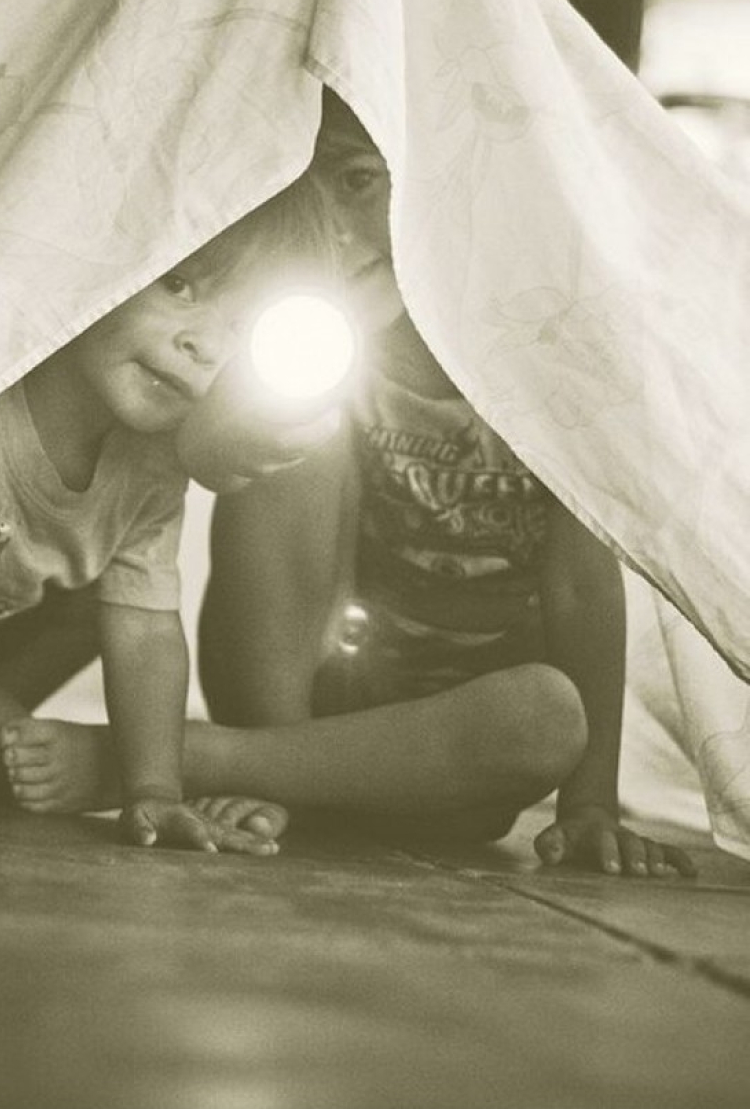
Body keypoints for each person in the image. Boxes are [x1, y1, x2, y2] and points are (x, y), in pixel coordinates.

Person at [192, 90, 697, 877]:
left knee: (544, 716)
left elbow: (580, 587)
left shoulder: (552, 363)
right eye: (306, 183)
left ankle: (212, 763)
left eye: (359, 180)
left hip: (457, 738)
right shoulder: (314, 339)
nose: (327, 221)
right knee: (290, 426)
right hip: (308, 697)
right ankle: (265, 766)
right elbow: (242, 502)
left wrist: (589, 803)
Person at [0, 182, 337, 854]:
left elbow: (145, 633)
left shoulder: (150, 469)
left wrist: (154, 791)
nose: (203, 345)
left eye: (243, 331)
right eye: (178, 285)